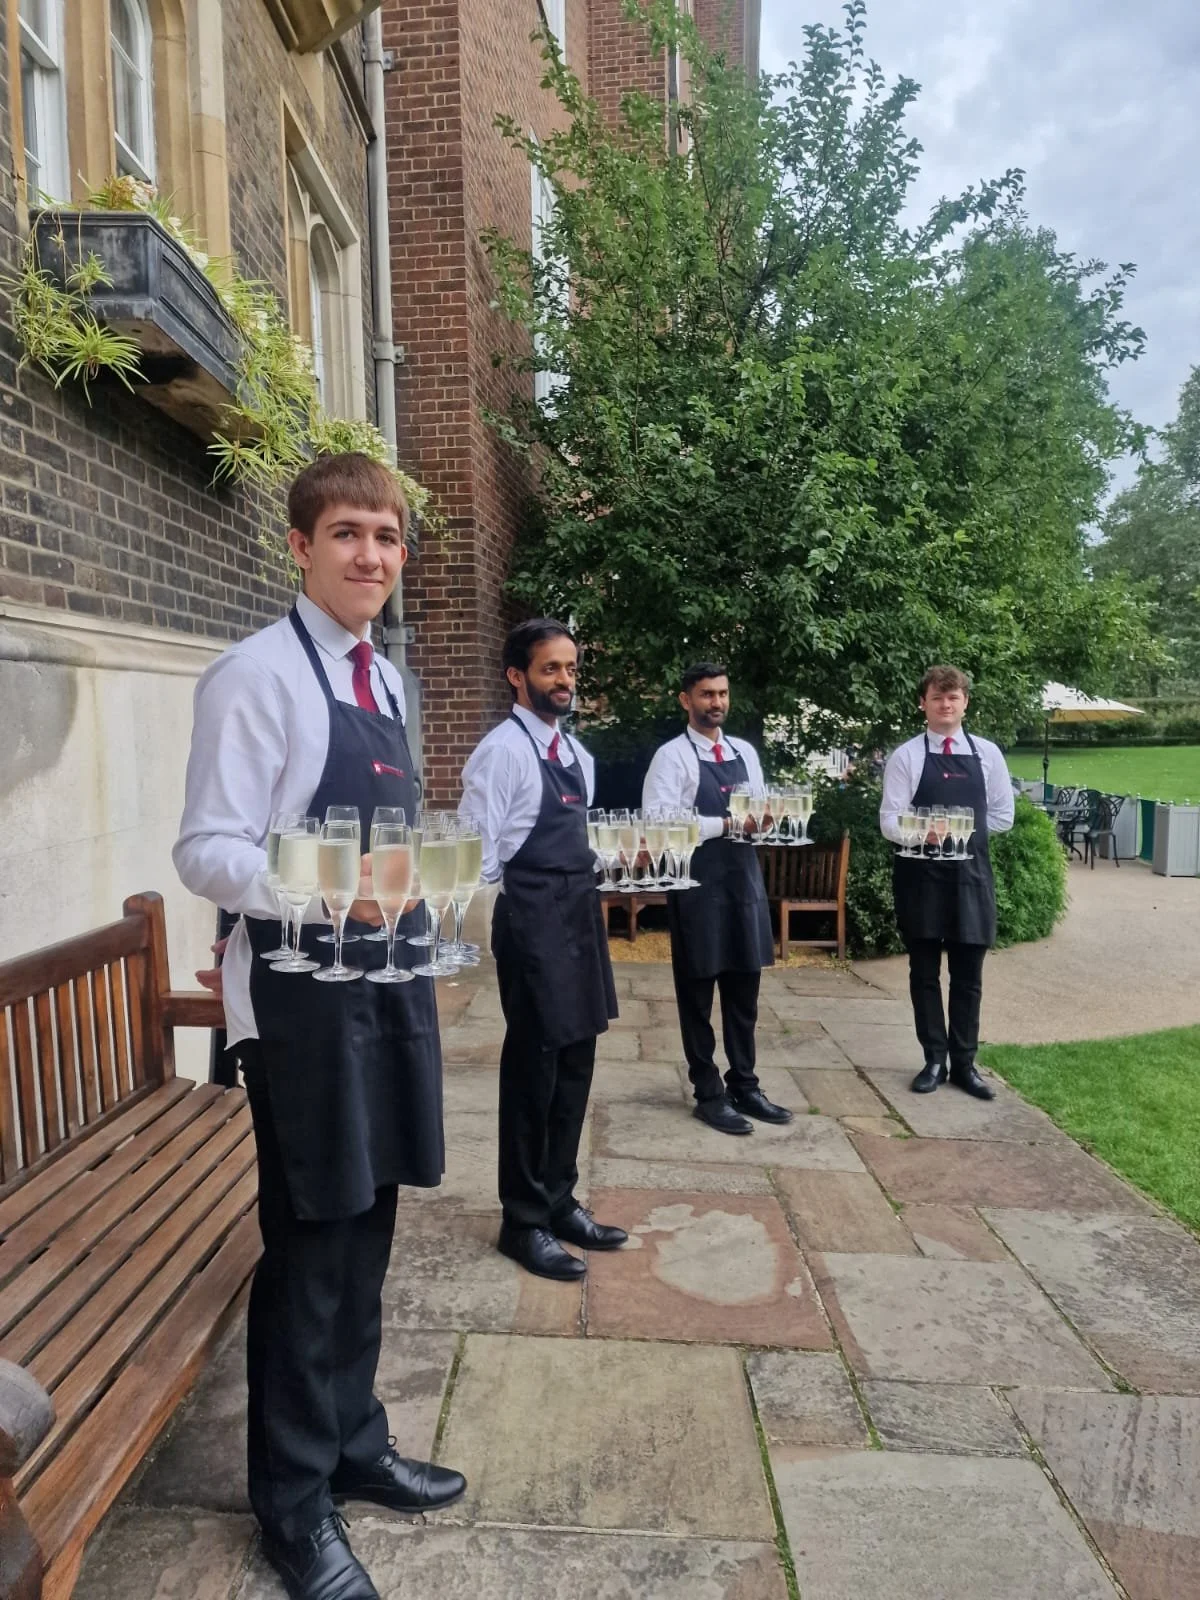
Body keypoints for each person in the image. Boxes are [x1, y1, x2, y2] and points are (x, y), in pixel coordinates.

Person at [174, 454, 465, 1600]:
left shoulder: (385, 685)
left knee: (372, 1230)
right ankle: (293, 1507)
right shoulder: (253, 677)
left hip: (388, 986)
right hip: (299, 1003)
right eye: (348, 533)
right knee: (309, 1251)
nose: (372, 557)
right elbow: (206, 848)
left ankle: (356, 1441)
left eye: (387, 538)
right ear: (300, 547)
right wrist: (332, 887)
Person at [459, 618, 626, 1282]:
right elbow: (477, 852)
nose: (564, 680)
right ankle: (522, 1220)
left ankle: (560, 1200)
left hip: (580, 913)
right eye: (551, 668)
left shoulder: (577, 757)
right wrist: (527, 907)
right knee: (534, 1070)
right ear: (517, 676)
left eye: (571, 668)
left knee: (577, 1059)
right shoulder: (500, 752)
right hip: (533, 919)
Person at [642, 662, 793, 1135]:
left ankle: (745, 1084)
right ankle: (708, 1092)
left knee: (744, 993)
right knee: (696, 994)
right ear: (686, 700)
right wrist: (726, 825)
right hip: (695, 885)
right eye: (707, 694)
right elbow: (661, 825)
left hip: (743, 882)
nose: (717, 703)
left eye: (723, 693)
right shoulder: (671, 758)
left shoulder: (745, 752)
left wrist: (769, 821)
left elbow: (759, 810)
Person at [879, 664, 1015, 1100]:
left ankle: (965, 1065)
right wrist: (923, 835)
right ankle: (933, 1059)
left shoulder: (988, 755)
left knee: (968, 976)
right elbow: (888, 821)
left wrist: (961, 837)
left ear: (965, 703)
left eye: (953, 697)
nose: (946, 704)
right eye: (937, 697)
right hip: (920, 877)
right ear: (924, 703)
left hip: (971, 877)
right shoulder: (907, 756)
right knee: (923, 973)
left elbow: (1002, 815)